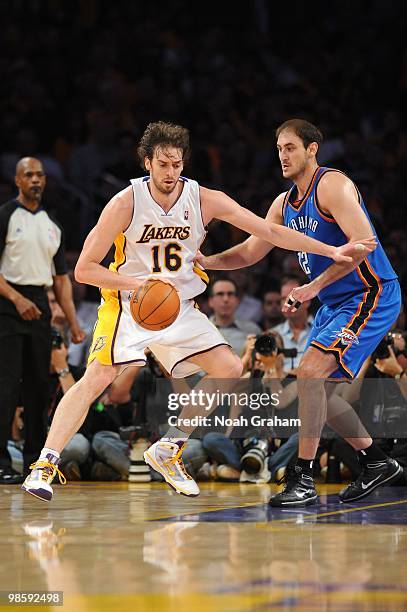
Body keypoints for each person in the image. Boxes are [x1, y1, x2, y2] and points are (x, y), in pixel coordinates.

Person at [22, 121, 373, 501]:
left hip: (176, 306)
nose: (171, 173)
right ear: (147, 163)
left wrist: (330, 251)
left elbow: (269, 232)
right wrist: (137, 285)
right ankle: (45, 463)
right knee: (98, 376)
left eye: (176, 164)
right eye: (163, 165)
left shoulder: (205, 198)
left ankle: (169, 447)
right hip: (128, 304)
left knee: (230, 368)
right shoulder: (125, 203)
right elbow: (84, 269)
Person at [197, 118, 402, 506]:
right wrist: (206, 262)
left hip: (370, 293)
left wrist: (313, 286)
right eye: (278, 149)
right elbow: (248, 252)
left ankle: (302, 478)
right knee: (323, 395)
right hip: (334, 303)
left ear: (312, 149)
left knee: (308, 373)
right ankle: (376, 462)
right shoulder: (282, 204)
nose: (282, 155)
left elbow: (364, 243)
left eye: (290, 147)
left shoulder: (333, 185)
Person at [0, 157, 85, 485]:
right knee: (6, 386)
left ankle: (36, 463)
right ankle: (2, 462)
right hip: (8, 303)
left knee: (38, 386)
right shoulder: (6, 215)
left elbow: (61, 280)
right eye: (28, 175)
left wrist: (74, 323)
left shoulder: (53, 223)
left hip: (40, 301)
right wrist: (17, 299)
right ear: (17, 180)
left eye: (40, 175)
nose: (35, 180)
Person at [208, 277, 261, 356]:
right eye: (220, 294)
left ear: (237, 301)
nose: (226, 299)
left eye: (230, 294)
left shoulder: (252, 330)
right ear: (211, 301)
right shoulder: (200, 331)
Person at [271, 276, 313, 370]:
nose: (286, 303)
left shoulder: (322, 331)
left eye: (292, 298)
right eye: (283, 298)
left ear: (307, 301)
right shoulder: (272, 335)